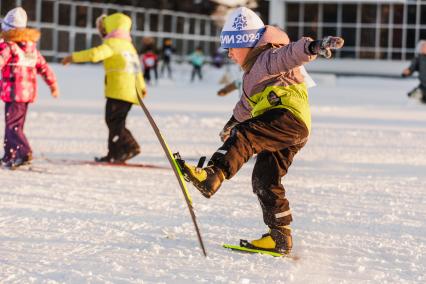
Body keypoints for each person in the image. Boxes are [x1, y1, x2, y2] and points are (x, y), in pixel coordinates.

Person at [181, 7, 344, 254]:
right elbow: (245, 106)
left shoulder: (269, 57)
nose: (229, 54)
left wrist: (314, 46)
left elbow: (291, 54)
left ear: (247, 43)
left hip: (286, 117)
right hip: (289, 130)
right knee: (264, 179)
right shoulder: (251, 76)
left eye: (232, 47)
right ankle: (279, 236)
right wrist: (231, 123)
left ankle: (213, 175)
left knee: (246, 135)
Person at [61, 12, 146, 163]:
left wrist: (73, 57)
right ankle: (120, 151)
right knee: (116, 122)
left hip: (118, 90)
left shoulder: (112, 44)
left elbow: (95, 54)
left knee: (114, 122)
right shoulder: (129, 46)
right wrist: (141, 87)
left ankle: (126, 149)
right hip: (130, 92)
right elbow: (136, 68)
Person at [0, 7, 59, 169]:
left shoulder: (9, 46)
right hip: (26, 94)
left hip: (13, 93)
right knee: (14, 125)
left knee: (13, 126)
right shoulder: (31, 49)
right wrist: (52, 84)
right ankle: (9, 155)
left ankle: (24, 153)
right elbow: (44, 67)